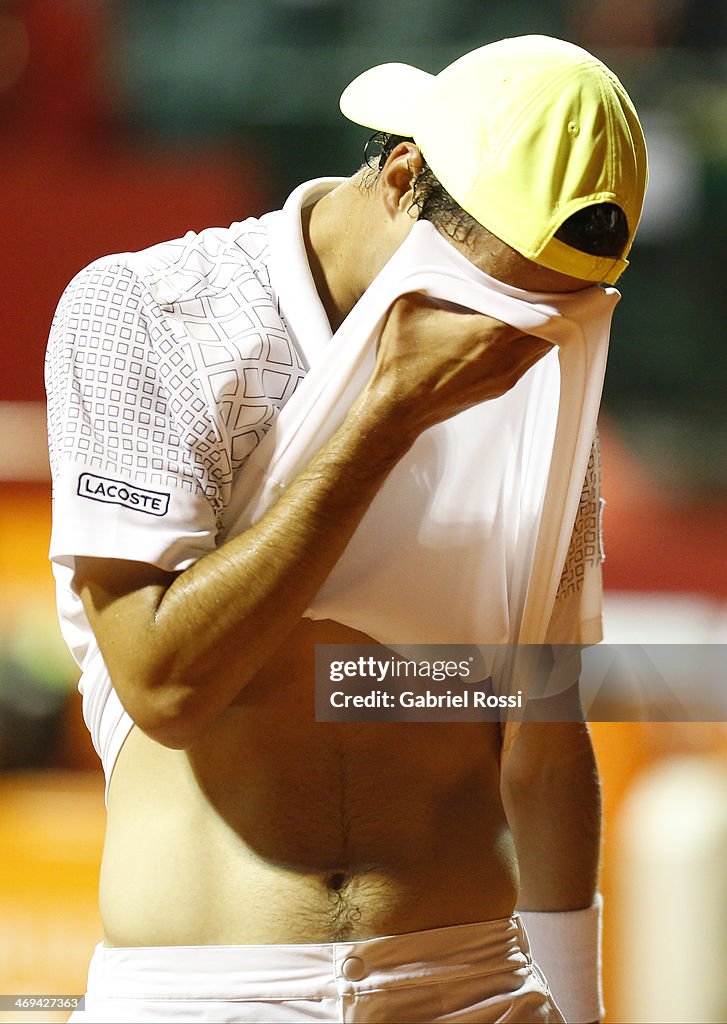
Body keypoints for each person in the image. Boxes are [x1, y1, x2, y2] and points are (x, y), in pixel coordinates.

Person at [46, 34, 647, 1024]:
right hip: (210, 995)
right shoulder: (146, 313)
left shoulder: (542, 345)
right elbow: (164, 685)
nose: (515, 338)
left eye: (555, 314)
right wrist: (386, 413)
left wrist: (576, 1007)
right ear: (406, 180)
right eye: (496, 295)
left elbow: (542, 733)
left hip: (476, 986)